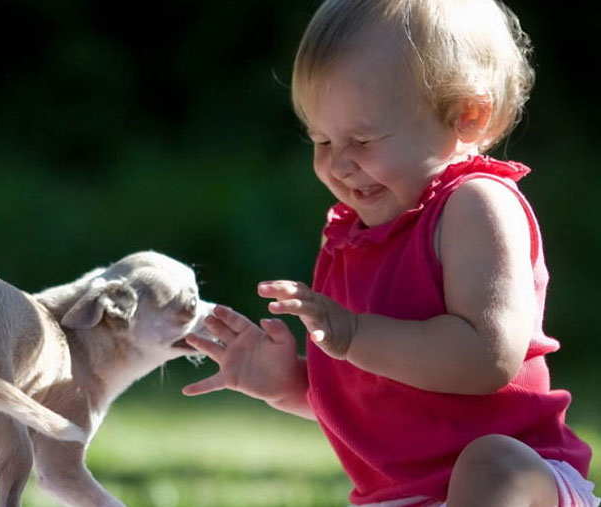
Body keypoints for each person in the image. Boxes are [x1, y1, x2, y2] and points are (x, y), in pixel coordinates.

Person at [182, 1, 600, 506]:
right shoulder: (347, 236)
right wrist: (288, 382)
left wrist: (352, 334)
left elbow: (486, 358)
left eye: (362, 139)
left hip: (521, 488)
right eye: (321, 140)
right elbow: (378, 398)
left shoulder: (474, 205)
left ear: (466, 116)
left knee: (490, 462)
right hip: (398, 497)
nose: (338, 164)